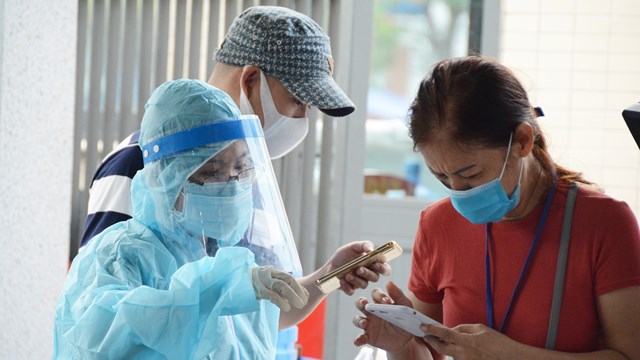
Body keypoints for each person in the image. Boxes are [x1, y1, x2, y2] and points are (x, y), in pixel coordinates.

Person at [352, 56, 640, 359]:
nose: (458, 192)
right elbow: (430, 353)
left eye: (470, 174)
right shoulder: (438, 224)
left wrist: (509, 354)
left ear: (522, 142)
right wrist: (403, 346)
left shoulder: (603, 222)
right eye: (441, 177)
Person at [55, 79, 313, 358]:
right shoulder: (120, 256)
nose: (233, 183)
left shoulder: (222, 259)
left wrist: (331, 273)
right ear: (168, 178)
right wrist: (222, 287)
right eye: (212, 171)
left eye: (241, 166)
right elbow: (108, 335)